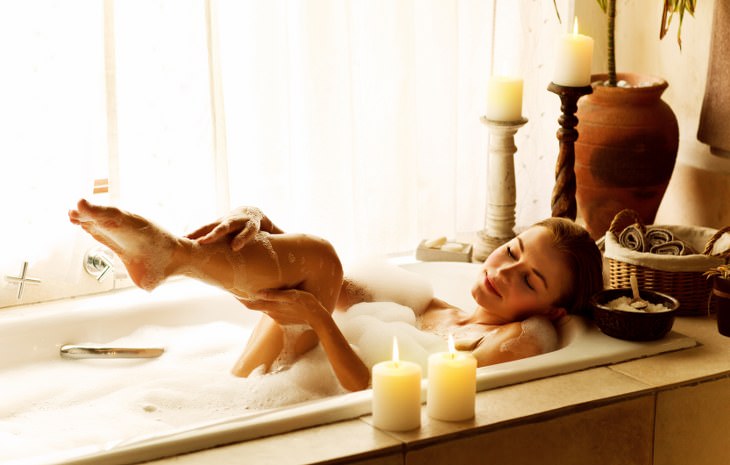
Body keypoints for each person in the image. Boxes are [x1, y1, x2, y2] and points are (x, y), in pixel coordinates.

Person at [68, 199, 603, 392]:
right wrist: (263, 225)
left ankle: (172, 255)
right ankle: (175, 255)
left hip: (272, 393)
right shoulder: (429, 305)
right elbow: (322, 280)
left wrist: (322, 323)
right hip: (252, 390)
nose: (503, 271)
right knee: (320, 258)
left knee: (320, 262)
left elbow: (397, 400)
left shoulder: (521, 339)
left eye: (529, 279)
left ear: (554, 308)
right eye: (511, 251)